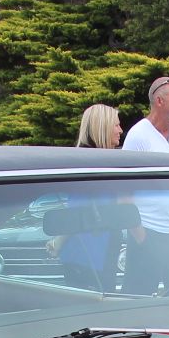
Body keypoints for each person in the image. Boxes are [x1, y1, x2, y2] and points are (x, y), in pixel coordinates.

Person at [121, 75, 169, 293]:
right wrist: (140, 236)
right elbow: (125, 193)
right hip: (148, 231)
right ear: (160, 101)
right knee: (139, 298)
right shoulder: (138, 136)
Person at [61, 103, 123, 290]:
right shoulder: (87, 164)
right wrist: (58, 242)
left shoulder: (103, 161)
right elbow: (76, 210)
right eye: (116, 125)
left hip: (98, 252)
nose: (120, 130)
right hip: (87, 256)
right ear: (102, 127)